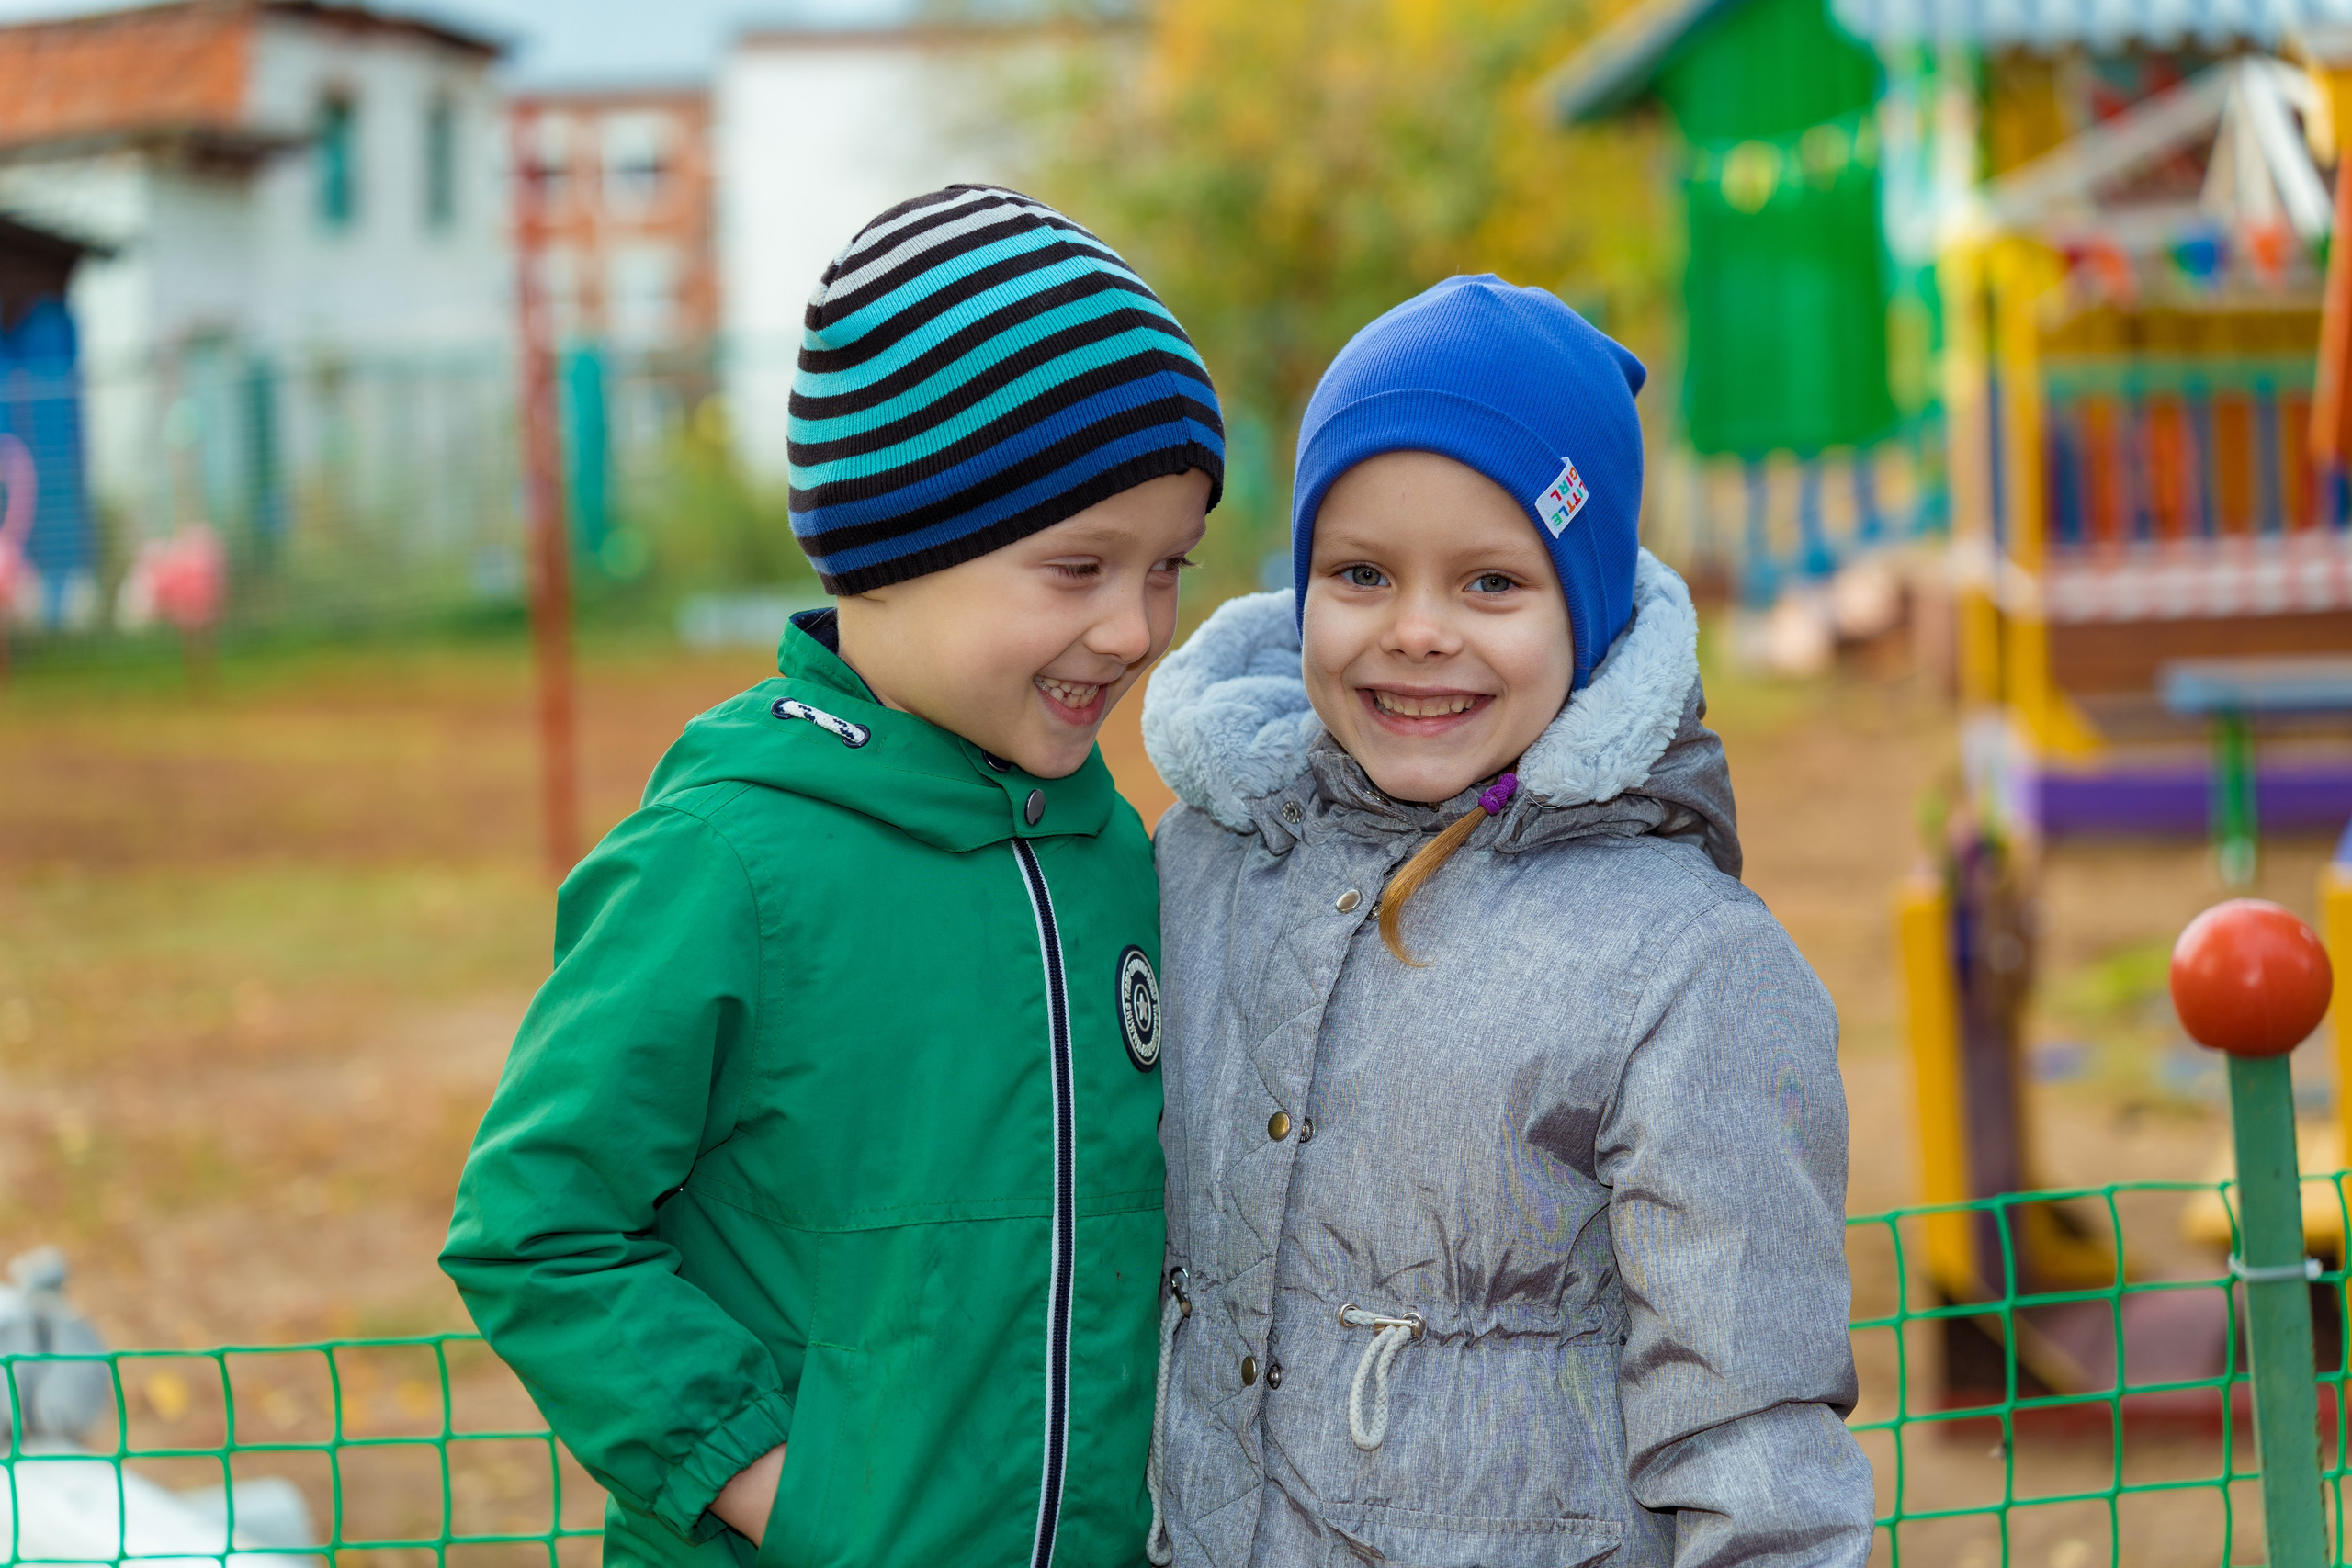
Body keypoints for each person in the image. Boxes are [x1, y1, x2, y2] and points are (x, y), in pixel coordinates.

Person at [442, 186, 1224, 1568]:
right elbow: (538, 1228)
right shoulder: (727, 860)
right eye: (1078, 565)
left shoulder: (1116, 856)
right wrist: (779, 1488)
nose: (1133, 626)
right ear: (891, 548)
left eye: (1168, 565)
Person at [1137, 276, 1873, 1566]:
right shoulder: (1200, 870)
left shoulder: (1685, 968)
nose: (1416, 632)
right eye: (1360, 572)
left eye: (1490, 583)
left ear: (1584, 615)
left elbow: (1754, 1441)